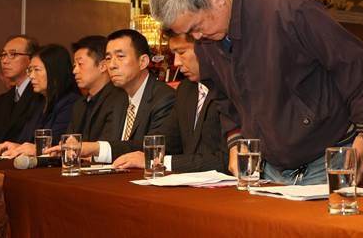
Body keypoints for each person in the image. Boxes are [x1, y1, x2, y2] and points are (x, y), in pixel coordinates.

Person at [149, 0, 363, 185]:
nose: (197, 38)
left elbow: (352, 62)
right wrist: (235, 139)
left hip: (328, 157)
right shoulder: (208, 38)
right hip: (268, 166)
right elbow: (222, 94)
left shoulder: (288, 5)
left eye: (196, 27)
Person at [48, 29, 175, 162]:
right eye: (108, 58)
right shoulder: (117, 98)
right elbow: (111, 143)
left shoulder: (164, 98)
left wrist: (95, 148)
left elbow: (153, 148)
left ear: (142, 62)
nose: (112, 65)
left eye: (120, 56)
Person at [113, 33, 228, 173]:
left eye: (182, 52)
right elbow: (165, 141)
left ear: (206, 48)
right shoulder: (186, 89)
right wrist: (100, 149)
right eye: (174, 54)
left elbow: (228, 159)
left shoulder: (231, 88)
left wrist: (159, 162)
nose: (176, 63)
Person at [0, 44, 79, 157]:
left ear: (54, 71)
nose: (31, 76)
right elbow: (27, 140)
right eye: (30, 70)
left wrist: (34, 149)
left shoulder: (71, 102)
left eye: (37, 70)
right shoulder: (38, 102)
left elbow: (56, 146)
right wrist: (16, 146)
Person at [67, 35, 127, 141]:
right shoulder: (79, 104)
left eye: (80, 64)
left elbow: (108, 144)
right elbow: (69, 141)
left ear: (102, 66)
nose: (74, 71)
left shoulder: (118, 100)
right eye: (74, 65)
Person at [0, 35, 40, 149]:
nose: (5, 61)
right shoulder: (0, 101)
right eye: (3, 55)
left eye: (13, 54)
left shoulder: (40, 96)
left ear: (31, 59)